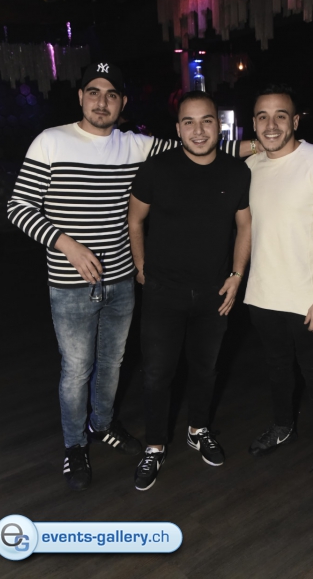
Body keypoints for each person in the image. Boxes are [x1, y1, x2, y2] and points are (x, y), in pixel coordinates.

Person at [7, 62, 258, 491]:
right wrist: (68, 245)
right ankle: (74, 446)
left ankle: (103, 424)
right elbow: (18, 208)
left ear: (122, 103)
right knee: (77, 369)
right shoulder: (50, 141)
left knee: (113, 363)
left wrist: (267, 142)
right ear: (81, 97)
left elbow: (202, 144)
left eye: (111, 94)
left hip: (123, 279)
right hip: (69, 281)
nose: (101, 102)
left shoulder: (136, 145)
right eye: (93, 92)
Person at [128, 91, 252, 491]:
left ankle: (198, 429)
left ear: (219, 125)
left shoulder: (236, 172)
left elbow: (245, 226)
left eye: (206, 121)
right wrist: (141, 267)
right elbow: (135, 219)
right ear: (178, 128)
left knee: (205, 369)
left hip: (215, 292)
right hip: (164, 291)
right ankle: (155, 445)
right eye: (189, 122)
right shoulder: (156, 168)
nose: (198, 131)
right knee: (156, 374)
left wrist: (237, 275)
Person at [245, 84, 313, 504]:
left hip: (310, 302)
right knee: (276, 370)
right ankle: (282, 426)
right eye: (263, 116)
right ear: (254, 123)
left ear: (295, 120)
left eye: (280, 115)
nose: (271, 124)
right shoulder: (251, 166)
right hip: (262, 297)